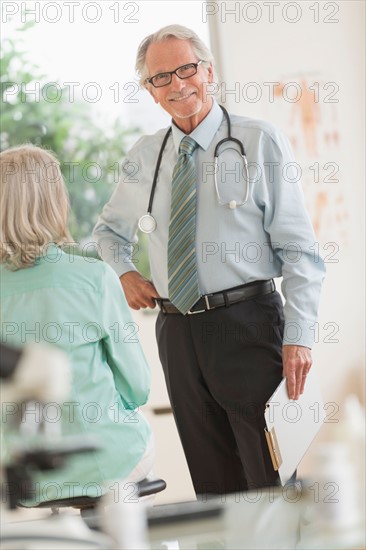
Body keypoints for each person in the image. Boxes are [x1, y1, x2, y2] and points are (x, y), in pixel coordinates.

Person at [93, 25, 326, 495]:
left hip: (249, 324)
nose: (178, 85)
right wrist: (125, 271)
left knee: (270, 481)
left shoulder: (259, 141)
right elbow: (107, 232)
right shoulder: (145, 155)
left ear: (209, 72)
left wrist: (299, 337)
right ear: (151, 91)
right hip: (177, 332)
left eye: (186, 69)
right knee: (212, 487)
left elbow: (300, 252)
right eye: (162, 77)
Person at [0, 144, 153, 505]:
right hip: (108, 458)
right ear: (55, 203)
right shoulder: (94, 277)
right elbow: (138, 387)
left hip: (21, 473)